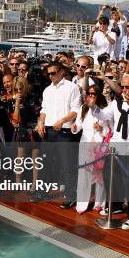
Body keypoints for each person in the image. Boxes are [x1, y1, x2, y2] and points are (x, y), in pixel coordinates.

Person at [87, 74, 129, 230]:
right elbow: (104, 115)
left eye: (127, 87)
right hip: (115, 146)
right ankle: (114, 205)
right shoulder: (117, 101)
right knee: (110, 177)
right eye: (122, 86)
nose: (124, 90)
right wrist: (93, 107)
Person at [36, 61, 81, 206]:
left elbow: (76, 110)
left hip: (65, 132)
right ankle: (42, 192)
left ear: (62, 72)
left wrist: (62, 120)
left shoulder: (72, 87)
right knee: (45, 163)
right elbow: (44, 110)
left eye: (53, 73)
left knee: (67, 165)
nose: (50, 76)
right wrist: (40, 123)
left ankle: (70, 196)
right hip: (48, 131)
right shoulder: (47, 90)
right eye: (48, 73)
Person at [71, 85, 110, 214]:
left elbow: (108, 131)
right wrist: (74, 127)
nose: (91, 96)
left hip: (99, 147)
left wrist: (101, 129)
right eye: (89, 94)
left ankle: (99, 203)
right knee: (83, 174)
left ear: (98, 96)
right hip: (85, 144)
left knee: (99, 175)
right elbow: (78, 127)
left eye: (93, 94)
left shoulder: (104, 110)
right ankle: (82, 203)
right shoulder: (83, 108)